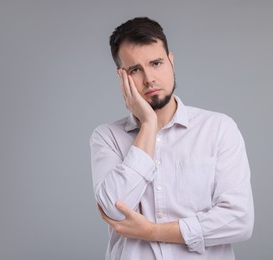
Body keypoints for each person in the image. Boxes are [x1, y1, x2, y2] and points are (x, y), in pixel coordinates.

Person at [90, 17, 254, 260]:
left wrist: (152, 232)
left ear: (171, 61)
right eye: (135, 70)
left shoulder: (219, 129)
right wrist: (148, 124)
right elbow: (114, 210)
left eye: (156, 63)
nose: (149, 79)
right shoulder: (107, 137)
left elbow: (239, 221)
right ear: (122, 77)